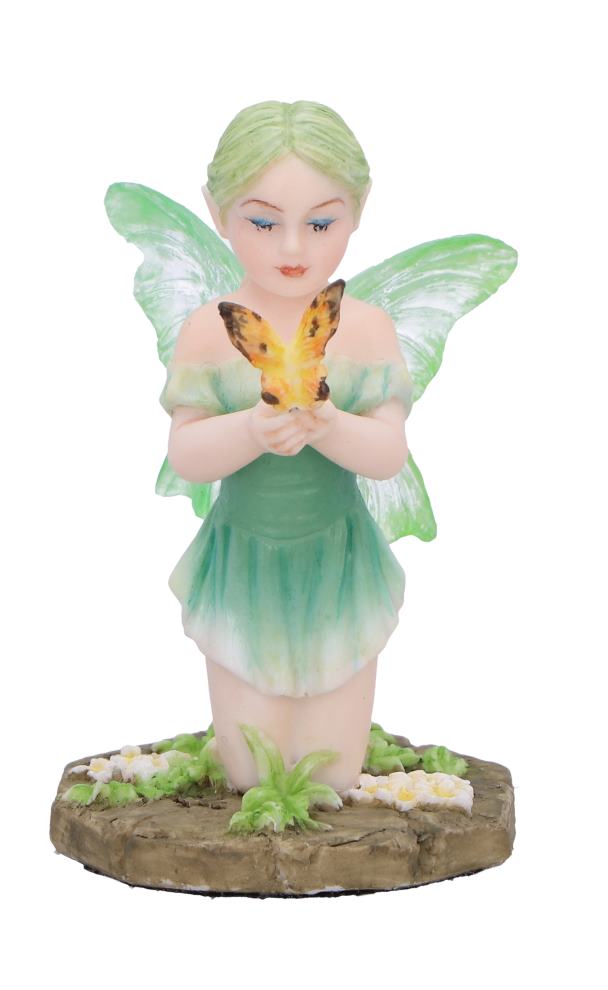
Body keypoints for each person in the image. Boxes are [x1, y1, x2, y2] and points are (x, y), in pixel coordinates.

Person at [159, 101, 414, 793]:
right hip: (242, 563)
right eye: (264, 223)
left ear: (359, 210)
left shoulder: (364, 329)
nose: (293, 249)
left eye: (321, 224)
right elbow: (186, 454)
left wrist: (332, 426)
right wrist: (248, 430)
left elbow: (389, 454)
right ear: (217, 213)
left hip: (339, 560)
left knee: (330, 773)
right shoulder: (212, 330)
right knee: (251, 769)